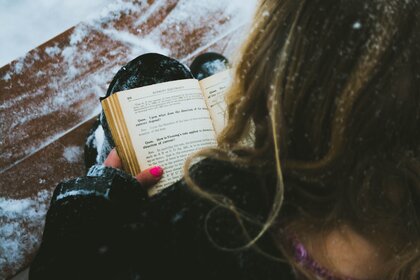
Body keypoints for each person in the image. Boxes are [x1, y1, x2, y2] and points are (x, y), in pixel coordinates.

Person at [29, 0, 420, 279]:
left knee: (151, 74)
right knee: (202, 72)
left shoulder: (215, 217)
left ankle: (105, 155)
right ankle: (214, 82)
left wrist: (88, 202)